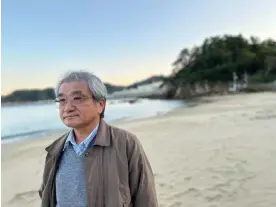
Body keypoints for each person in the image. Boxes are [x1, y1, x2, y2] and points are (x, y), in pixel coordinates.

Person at [38, 70, 158, 207]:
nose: (68, 108)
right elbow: (47, 195)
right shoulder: (56, 149)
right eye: (62, 100)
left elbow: (146, 197)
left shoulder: (126, 143)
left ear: (100, 104)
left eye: (77, 99)